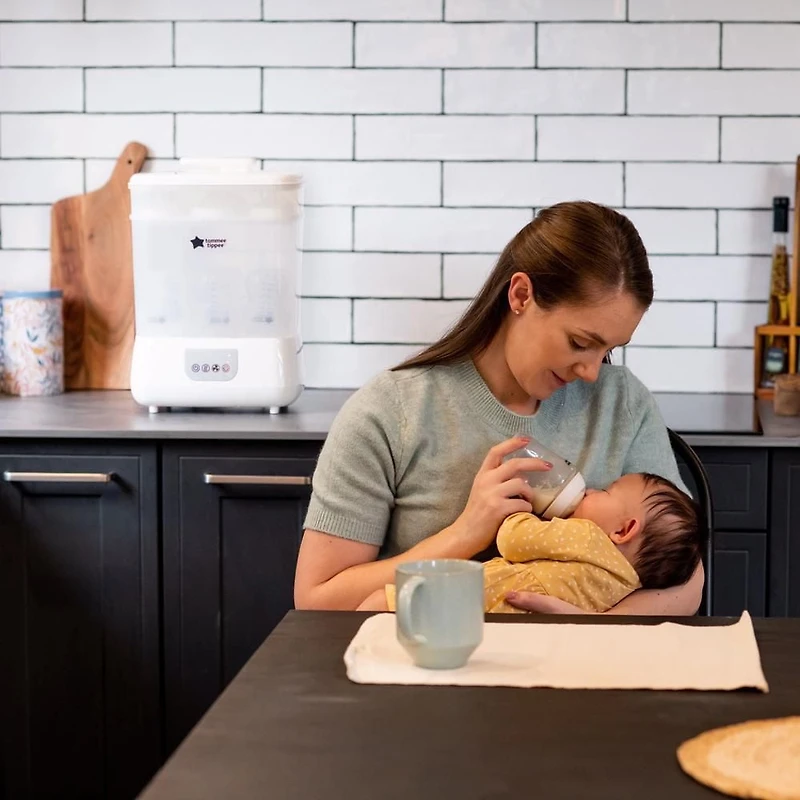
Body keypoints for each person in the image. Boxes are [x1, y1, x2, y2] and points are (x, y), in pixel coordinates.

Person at [294, 200, 705, 615]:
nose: (593, 372)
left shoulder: (623, 404)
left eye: (609, 350)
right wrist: (465, 534)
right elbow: (317, 601)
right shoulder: (392, 412)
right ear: (521, 295)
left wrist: (586, 631)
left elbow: (686, 584)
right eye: (580, 343)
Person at [370, 472, 704, 614]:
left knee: (376, 605)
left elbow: (514, 540)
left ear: (623, 530)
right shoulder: (626, 584)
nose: (590, 491)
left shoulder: (588, 536)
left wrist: (523, 508)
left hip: (480, 599)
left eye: (606, 491)